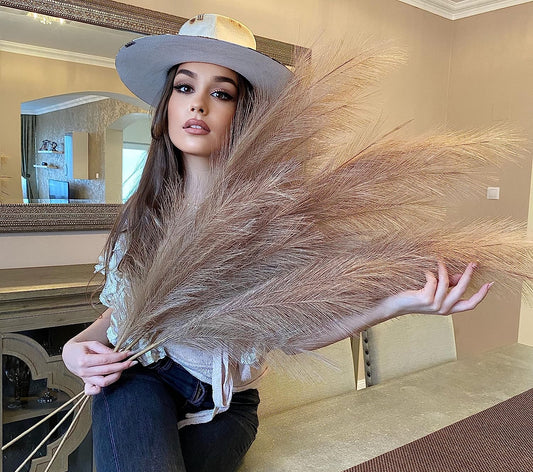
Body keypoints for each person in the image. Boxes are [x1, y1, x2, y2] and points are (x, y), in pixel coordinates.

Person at [62, 14, 492, 472]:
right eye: (185, 88)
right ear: (167, 104)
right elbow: (124, 312)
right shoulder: (145, 212)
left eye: (221, 94)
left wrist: (396, 304)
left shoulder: (274, 216)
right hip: (140, 378)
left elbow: (294, 329)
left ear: (244, 115)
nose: (198, 105)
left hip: (225, 407)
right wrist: (75, 348)